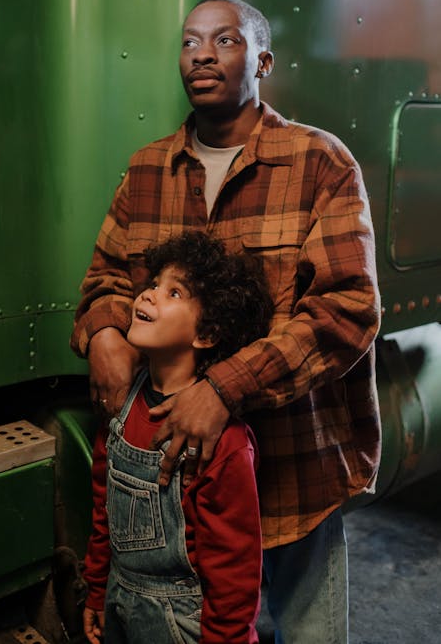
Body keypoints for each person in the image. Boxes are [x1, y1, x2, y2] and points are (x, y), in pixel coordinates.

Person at [71, 0, 381, 643]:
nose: (202, 54)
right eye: (190, 42)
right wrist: (102, 329)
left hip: (291, 482)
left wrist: (225, 386)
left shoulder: (319, 162)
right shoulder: (148, 170)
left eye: (225, 40)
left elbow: (347, 309)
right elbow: (104, 276)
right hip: (172, 503)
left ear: (263, 60)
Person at [82, 230, 274, 644]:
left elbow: (234, 567)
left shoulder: (223, 442)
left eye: (173, 293)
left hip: (179, 623)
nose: (148, 295)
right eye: (153, 284)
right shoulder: (122, 407)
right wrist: (97, 591)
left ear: (206, 335)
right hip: (118, 600)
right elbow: (103, 512)